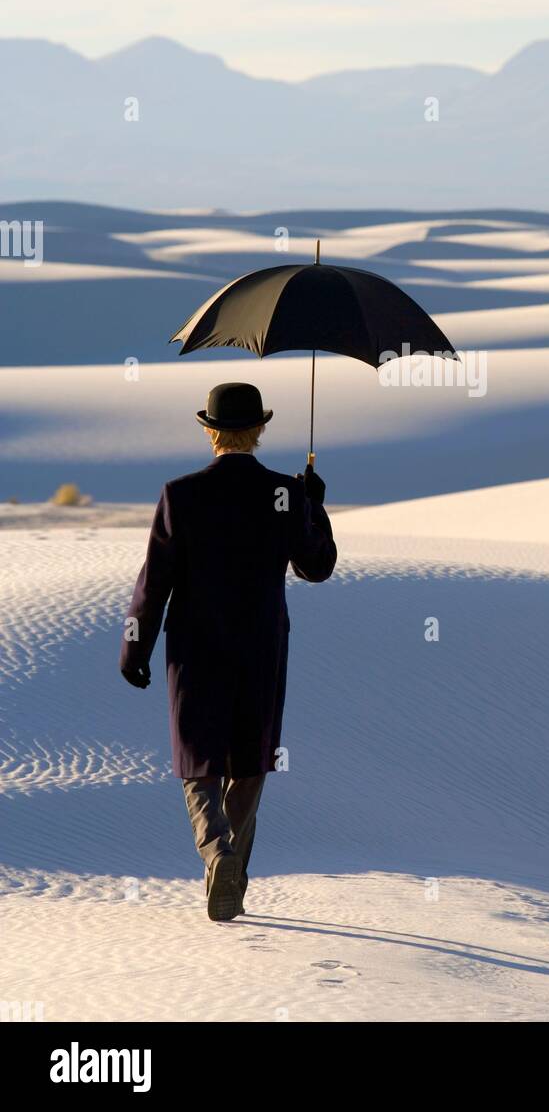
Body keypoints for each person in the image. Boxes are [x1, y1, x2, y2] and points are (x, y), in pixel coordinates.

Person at [119, 382, 337, 921]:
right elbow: (317, 566)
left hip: (195, 649)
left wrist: (134, 647)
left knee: (199, 760)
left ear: (209, 430)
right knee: (250, 759)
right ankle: (232, 869)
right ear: (259, 430)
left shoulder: (181, 493)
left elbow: (154, 584)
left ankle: (218, 854)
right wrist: (313, 506)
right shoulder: (284, 493)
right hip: (262, 646)